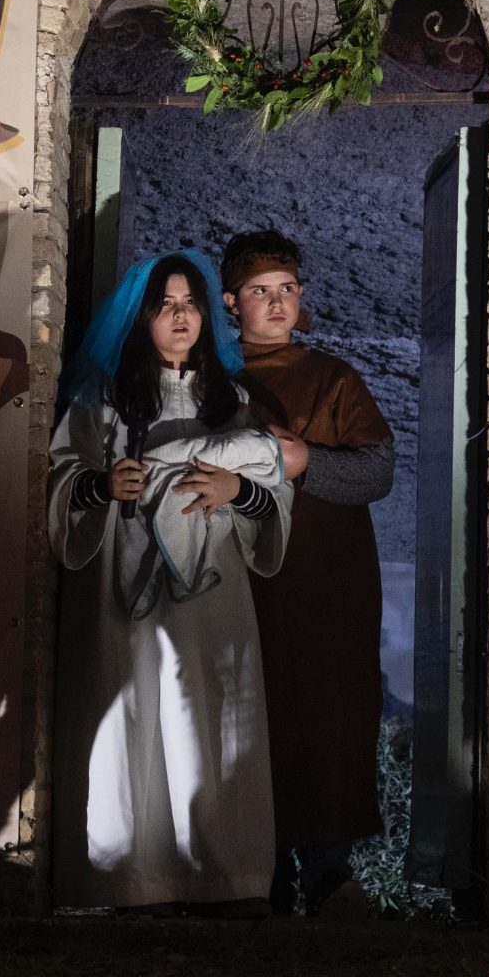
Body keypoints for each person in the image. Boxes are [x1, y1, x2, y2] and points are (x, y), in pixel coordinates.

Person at [49, 251, 293, 914]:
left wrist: (237, 489)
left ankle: (225, 877)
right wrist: (103, 485)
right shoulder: (103, 401)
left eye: (190, 304)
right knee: (132, 708)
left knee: (210, 710)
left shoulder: (230, 401)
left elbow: (271, 485)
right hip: (128, 579)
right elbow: (62, 477)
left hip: (214, 586)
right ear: (142, 318)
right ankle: (135, 877)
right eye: (165, 305)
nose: (180, 316)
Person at [219, 230, 396, 917]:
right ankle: (252, 873)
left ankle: (326, 872)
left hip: (326, 584)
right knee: (246, 715)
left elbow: (376, 471)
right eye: (260, 292)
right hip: (241, 582)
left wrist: (308, 463)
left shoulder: (332, 378)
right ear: (231, 301)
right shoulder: (208, 379)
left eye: (287, 290)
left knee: (326, 715)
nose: (276, 304)